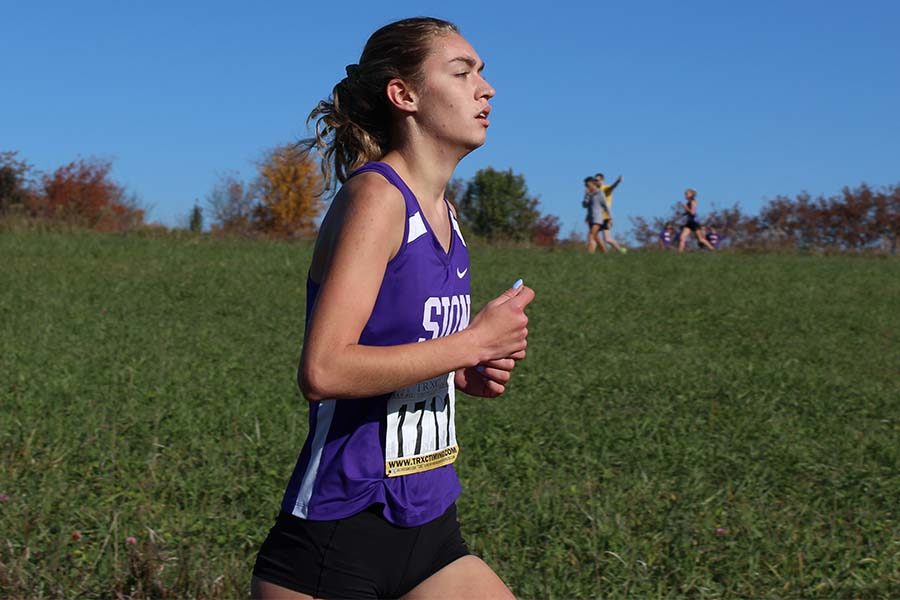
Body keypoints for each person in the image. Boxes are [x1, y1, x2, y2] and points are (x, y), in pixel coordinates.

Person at [250, 17, 533, 600]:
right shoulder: (377, 198)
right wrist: (473, 343)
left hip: (430, 528)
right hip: (338, 537)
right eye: (463, 72)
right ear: (404, 96)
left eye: (481, 71)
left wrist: (463, 373)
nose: (487, 88)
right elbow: (323, 370)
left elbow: (401, 355)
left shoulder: (449, 218)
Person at [594, 173, 627, 253]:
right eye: (594, 180)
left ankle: (621, 251)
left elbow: (613, 187)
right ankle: (599, 252)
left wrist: (618, 181)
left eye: (597, 180)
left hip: (606, 217)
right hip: (598, 217)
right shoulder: (595, 190)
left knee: (607, 239)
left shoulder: (605, 188)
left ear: (602, 180)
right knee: (593, 236)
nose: (595, 182)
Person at [678, 188, 715, 252]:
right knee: (682, 238)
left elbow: (693, 213)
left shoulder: (693, 202)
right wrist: (684, 214)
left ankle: (713, 250)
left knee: (701, 239)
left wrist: (686, 208)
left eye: (687, 194)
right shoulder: (688, 202)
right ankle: (679, 254)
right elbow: (689, 212)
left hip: (694, 223)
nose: (685, 195)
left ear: (691, 194)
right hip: (689, 223)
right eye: (685, 194)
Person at [582, 176, 609, 253]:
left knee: (590, 235)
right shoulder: (588, 194)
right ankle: (605, 253)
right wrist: (587, 196)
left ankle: (589, 255)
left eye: (587, 185)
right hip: (591, 218)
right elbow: (585, 205)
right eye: (585, 185)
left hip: (598, 218)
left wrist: (610, 218)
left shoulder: (600, 193)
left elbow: (606, 206)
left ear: (592, 184)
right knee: (596, 238)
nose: (586, 187)